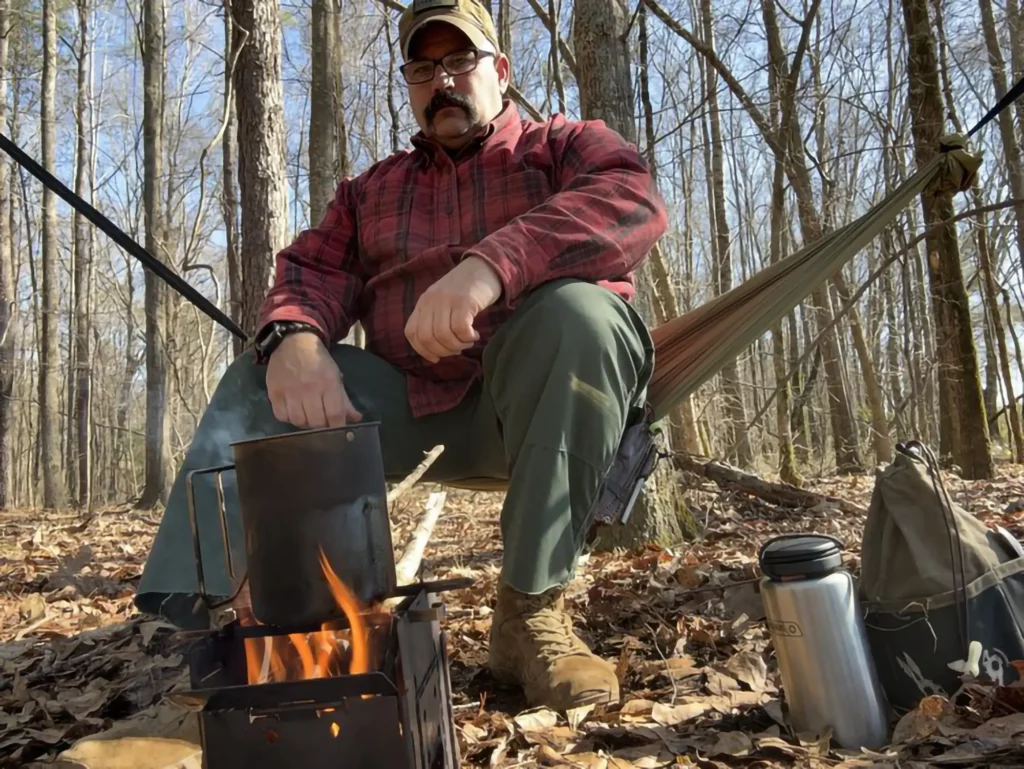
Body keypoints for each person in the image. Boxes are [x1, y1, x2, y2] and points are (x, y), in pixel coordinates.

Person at [135, 0, 667, 712]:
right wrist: (294, 335)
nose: (441, 80)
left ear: (500, 72)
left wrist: (490, 267)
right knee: (258, 376)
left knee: (581, 314)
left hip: (539, 406)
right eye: (422, 67)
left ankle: (529, 612)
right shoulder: (370, 192)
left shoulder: (562, 147)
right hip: (401, 411)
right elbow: (308, 272)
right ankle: (193, 634)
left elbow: (629, 198)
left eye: (459, 61)